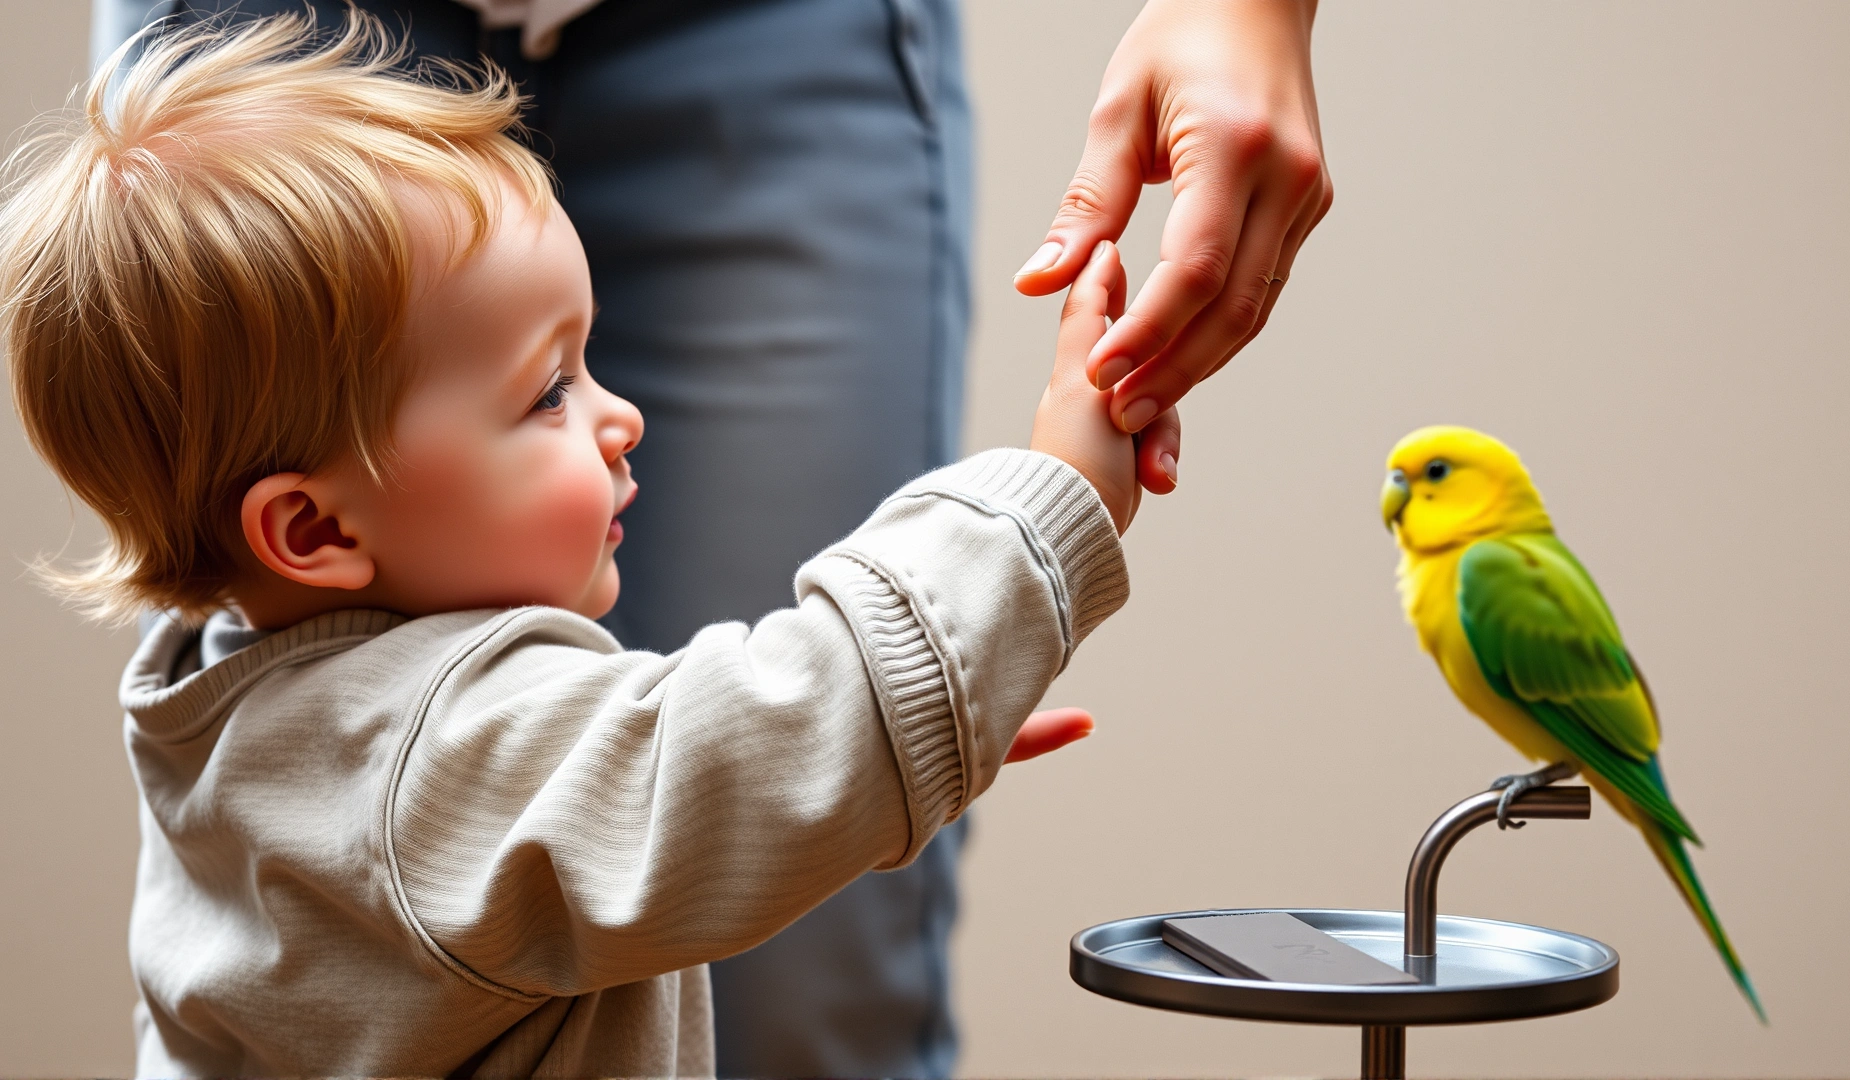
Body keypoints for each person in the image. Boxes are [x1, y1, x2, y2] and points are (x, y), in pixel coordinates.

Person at [89, 0, 1330, 1073]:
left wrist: (897, 731)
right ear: (310, 525)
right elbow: (738, 756)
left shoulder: (227, 724)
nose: (622, 416)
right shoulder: (436, 782)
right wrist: (1058, 491)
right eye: (547, 392)